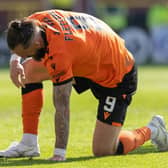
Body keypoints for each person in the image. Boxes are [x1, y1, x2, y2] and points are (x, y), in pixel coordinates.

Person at [1, 9, 168, 161]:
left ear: (36, 44)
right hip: (89, 58)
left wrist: (59, 153)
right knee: (27, 73)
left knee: (103, 150)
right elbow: (20, 40)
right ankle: (28, 143)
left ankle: (153, 130)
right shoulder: (33, 23)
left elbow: (62, 105)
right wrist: (15, 61)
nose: (22, 56)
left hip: (117, 74)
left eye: (23, 53)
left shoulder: (61, 51)